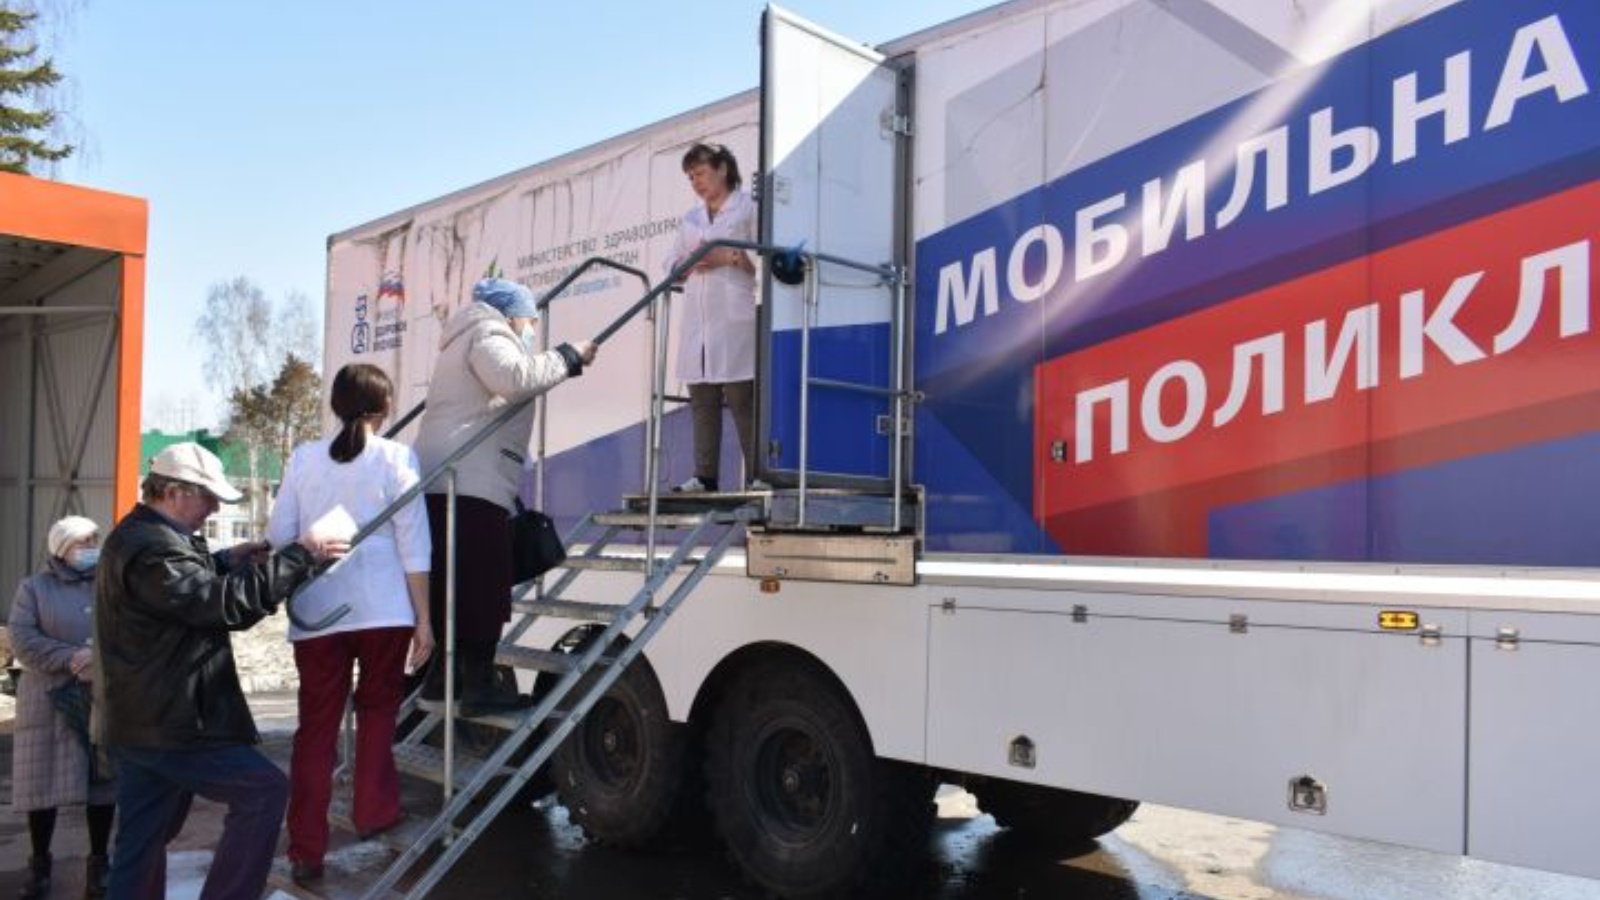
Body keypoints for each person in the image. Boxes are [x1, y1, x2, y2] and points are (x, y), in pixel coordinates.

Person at [91, 443, 346, 900]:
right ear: (173, 492)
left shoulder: (142, 537)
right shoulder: (151, 548)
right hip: (173, 722)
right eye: (208, 497)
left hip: (142, 720)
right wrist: (301, 555)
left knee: (141, 844)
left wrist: (226, 560)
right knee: (263, 791)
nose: (214, 508)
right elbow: (218, 603)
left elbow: (182, 587)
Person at [266, 363, 434, 884]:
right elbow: (414, 543)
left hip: (318, 608)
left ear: (336, 406)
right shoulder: (397, 457)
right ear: (386, 407)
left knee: (315, 731)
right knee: (378, 713)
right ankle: (373, 811)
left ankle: (305, 849)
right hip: (384, 606)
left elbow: (279, 535)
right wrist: (424, 618)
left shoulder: (304, 458)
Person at [412, 277, 597, 717]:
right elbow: (514, 378)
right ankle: (477, 685)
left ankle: (443, 681)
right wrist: (569, 355)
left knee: (456, 584)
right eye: (530, 321)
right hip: (469, 483)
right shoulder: (488, 332)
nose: (531, 330)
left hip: (452, 480)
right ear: (513, 316)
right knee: (483, 585)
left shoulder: (464, 337)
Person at [9, 516, 117, 899]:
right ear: (61, 546)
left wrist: (99, 659)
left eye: (95, 539)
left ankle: (98, 865)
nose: (91, 547)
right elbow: (22, 639)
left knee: (102, 783)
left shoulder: (110, 585)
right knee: (42, 787)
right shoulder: (34, 588)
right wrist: (71, 658)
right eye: (82, 541)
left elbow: (128, 631)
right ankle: (39, 867)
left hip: (99, 697)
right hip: (47, 701)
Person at [665, 142, 765, 493]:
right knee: (702, 401)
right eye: (691, 177)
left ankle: (758, 475)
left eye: (701, 173)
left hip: (735, 320)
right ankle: (705, 476)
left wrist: (731, 258)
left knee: (742, 401)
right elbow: (671, 264)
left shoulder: (748, 208)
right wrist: (686, 265)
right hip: (699, 322)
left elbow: (766, 262)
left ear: (723, 169)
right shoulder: (691, 219)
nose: (696, 182)